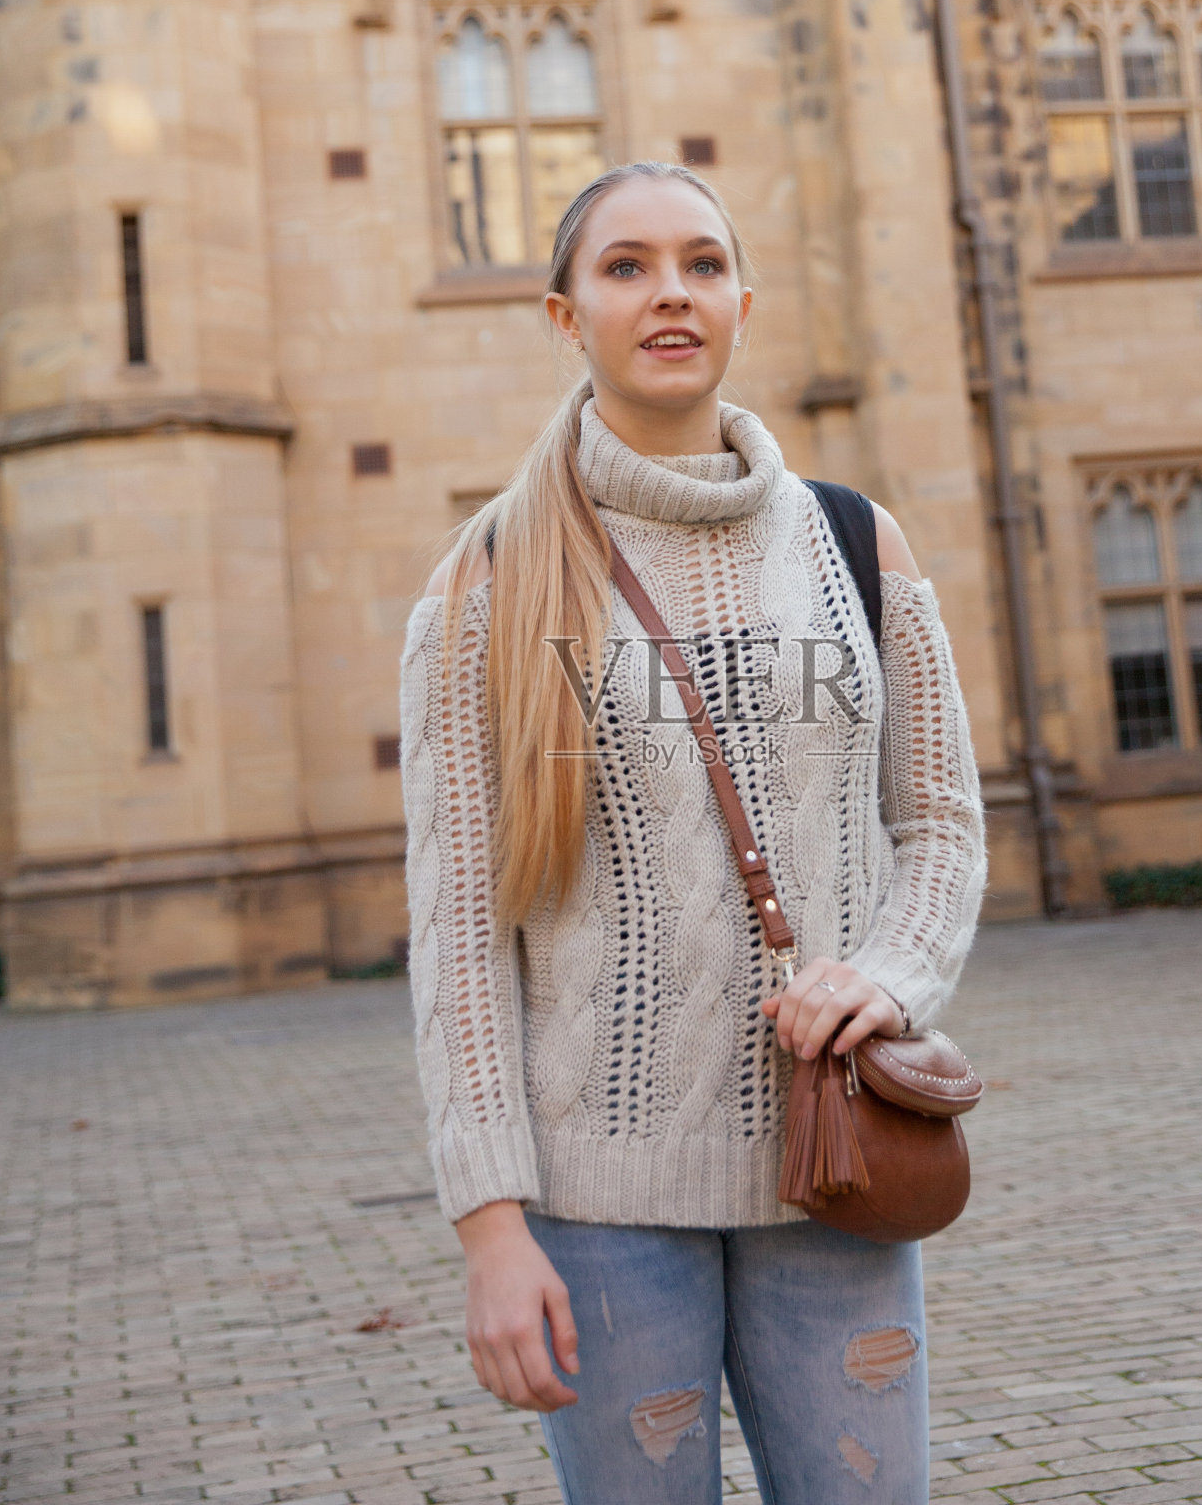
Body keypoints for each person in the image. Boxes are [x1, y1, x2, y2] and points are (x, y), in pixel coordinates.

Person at [399, 160, 986, 1503]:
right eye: (627, 266)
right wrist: (492, 1231)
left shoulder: (852, 542)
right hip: (601, 1209)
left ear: (740, 301)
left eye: (703, 263)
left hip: (837, 1173)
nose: (671, 292)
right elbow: (461, 943)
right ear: (566, 316)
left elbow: (944, 825)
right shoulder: (486, 583)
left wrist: (885, 979)